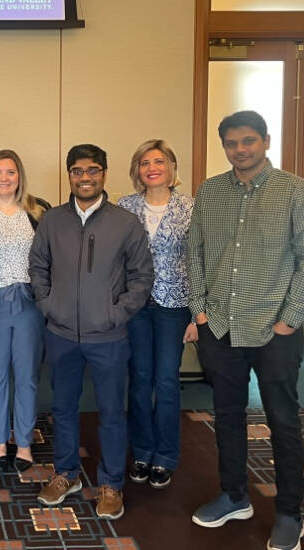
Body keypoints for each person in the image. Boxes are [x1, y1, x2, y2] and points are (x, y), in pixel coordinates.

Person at [189, 111, 304, 550]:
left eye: (249, 141)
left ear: (266, 141)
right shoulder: (210, 192)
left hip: (274, 331)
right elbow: (194, 253)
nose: (240, 150)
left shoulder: (297, 192)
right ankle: (234, 495)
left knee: (283, 420)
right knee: (227, 417)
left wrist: (290, 319)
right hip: (221, 329)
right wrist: (200, 313)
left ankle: (290, 512)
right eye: (232, 143)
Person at [29, 144, 153, 520]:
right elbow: (38, 266)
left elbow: (141, 276)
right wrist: (48, 305)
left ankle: (111, 484)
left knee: (112, 412)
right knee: (63, 408)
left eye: (93, 170)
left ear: (104, 174)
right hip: (61, 333)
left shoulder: (125, 222)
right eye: (78, 171)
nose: (85, 177)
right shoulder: (52, 220)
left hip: (109, 337)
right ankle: (66, 474)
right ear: (69, 175)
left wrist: (118, 313)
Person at [116, 139, 195, 490]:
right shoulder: (124, 206)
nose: (152, 167)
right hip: (135, 305)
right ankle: (143, 451)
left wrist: (197, 315)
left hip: (173, 305)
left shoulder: (191, 208)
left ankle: (165, 456)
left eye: (159, 161)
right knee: (139, 380)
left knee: (165, 382)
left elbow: (200, 262)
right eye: (145, 162)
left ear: (171, 168)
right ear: (138, 170)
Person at [0, 149, 49, 474]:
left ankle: (25, 442)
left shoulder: (38, 211)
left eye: (10, 172)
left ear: (20, 176)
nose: (4, 178)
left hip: (30, 304)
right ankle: (0, 441)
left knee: (27, 376)